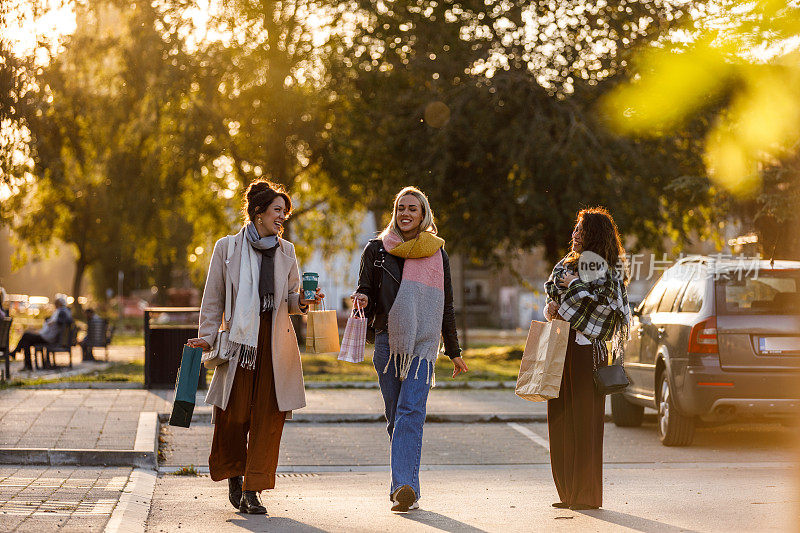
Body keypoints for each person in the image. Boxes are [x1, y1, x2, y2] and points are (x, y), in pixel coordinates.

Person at [186, 179, 323, 515]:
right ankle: (235, 473)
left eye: (285, 214)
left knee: (268, 416)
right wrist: (206, 334)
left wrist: (304, 301)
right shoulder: (227, 248)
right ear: (259, 213)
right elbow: (214, 297)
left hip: (274, 343)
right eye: (278, 211)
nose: (282, 218)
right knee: (231, 414)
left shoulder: (287, 250)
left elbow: (289, 299)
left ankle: (253, 490)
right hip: (238, 342)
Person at [352, 186, 468, 512]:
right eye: (400, 208)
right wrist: (362, 298)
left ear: (423, 214)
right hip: (388, 341)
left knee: (410, 413)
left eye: (412, 209)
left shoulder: (436, 253)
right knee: (395, 418)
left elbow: (446, 306)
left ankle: (406, 489)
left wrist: (454, 350)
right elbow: (366, 289)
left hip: (423, 343)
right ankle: (404, 481)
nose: (405, 213)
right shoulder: (376, 250)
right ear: (395, 212)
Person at [543, 207, 631, 510]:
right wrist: (552, 308)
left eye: (581, 229)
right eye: (574, 228)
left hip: (586, 349)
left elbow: (611, 307)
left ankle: (587, 495)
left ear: (594, 234)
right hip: (560, 347)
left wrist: (574, 287)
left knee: (585, 424)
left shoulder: (607, 269)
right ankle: (568, 493)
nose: (574, 234)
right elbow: (553, 297)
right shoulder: (566, 264)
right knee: (560, 420)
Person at [10, 294, 73, 370]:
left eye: (56, 303)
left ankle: (18, 354)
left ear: (59, 304)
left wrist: (52, 322)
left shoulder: (61, 312)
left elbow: (62, 321)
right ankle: (26, 364)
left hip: (48, 338)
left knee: (26, 335)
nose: (54, 305)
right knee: (26, 341)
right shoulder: (63, 311)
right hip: (48, 336)